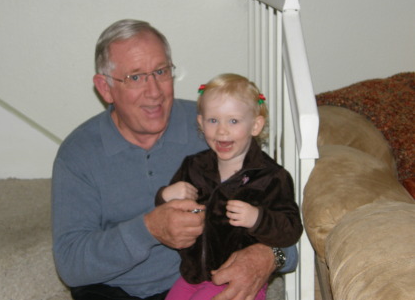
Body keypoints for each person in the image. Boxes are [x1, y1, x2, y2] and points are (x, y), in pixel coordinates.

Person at [52, 19, 298, 300]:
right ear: (105, 88)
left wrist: (269, 256)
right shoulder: (79, 153)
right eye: (135, 77)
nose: (155, 91)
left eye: (161, 71)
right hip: (110, 289)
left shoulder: (216, 130)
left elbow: (283, 221)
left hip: (199, 281)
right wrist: (148, 230)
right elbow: (70, 264)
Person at [156, 74, 303, 300]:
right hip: (192, 274)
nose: (222, 131)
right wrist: (164, 196)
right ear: (200, 123)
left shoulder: (271, 176)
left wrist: (258, 218)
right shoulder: (193, 166)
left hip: (236, 278)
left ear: (255, 125)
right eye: (213, 120)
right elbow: (167, 215)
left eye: (233, 121)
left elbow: (291, 228)